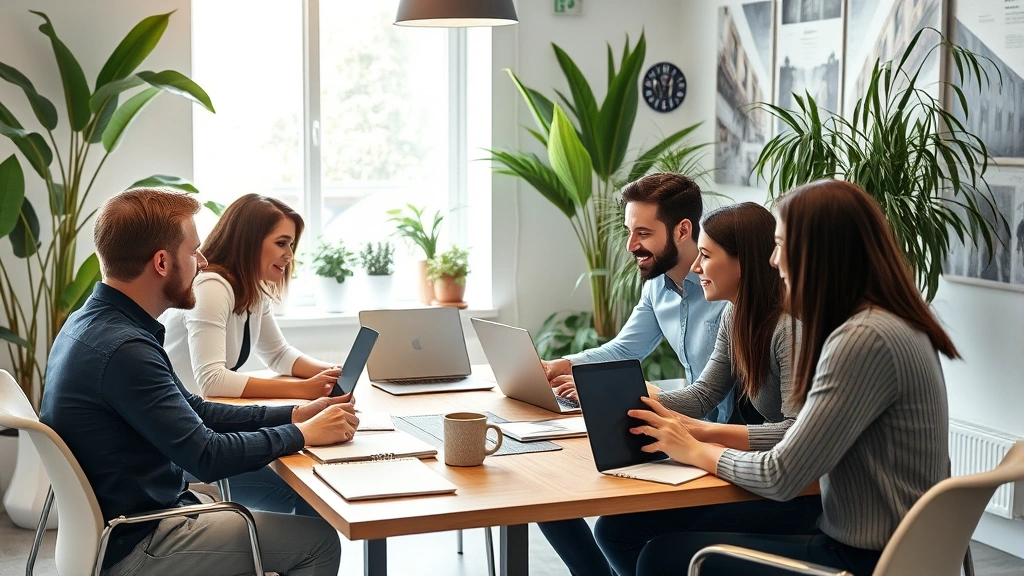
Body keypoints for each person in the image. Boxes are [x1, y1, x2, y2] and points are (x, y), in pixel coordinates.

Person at [614, 180, 956, 576]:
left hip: (863, 560)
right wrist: (689, 429)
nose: (773, 261)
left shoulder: (862, 340)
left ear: (818, 253)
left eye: (780, 245)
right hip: (890, 549)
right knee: (643, 539)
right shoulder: (888, 324)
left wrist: (695, 447)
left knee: (661, 556)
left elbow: (781, 475)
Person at [40, 188, 355, 575]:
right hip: (140, 541)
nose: (203, 262)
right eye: (194, 251)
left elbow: (197, 408)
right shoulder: (124, 349)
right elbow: (206, 457)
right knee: (319, 543)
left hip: (125, 525)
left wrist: (295, 414)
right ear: (161, 262)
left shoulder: (96, 322)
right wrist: (303, 435)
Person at [586, 202, 821, 575]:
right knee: (615, 530)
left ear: (743, 262)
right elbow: (703, 394)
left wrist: (701, 433)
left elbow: (797, 430)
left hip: (799, 493)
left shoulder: (789, 328)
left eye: (706, 256)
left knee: (655, 551)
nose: (695, 268)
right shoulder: (736, 314)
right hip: (765, 476)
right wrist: (630, 403)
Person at [537, 173, 729, 576]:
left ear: (682, 230)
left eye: (643, 232)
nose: (630, 246)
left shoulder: (725, 288)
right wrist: (564, 364)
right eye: (629, 231)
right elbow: (625, 349)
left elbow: (707, 394)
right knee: (545, 487)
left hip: (718, 442)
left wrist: (634, 396)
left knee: (610, 526)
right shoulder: (658, 287)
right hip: (685, 430)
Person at [162, 193, 341, 400]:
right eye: (281, 243)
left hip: (204, 411)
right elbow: (212, 380)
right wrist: (303, 389)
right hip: (179, 415)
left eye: (290, 245)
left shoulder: (253, 289)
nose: (289, 255)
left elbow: (278, 354)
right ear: (250, 242)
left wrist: (333, 372)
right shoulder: (211, 287)